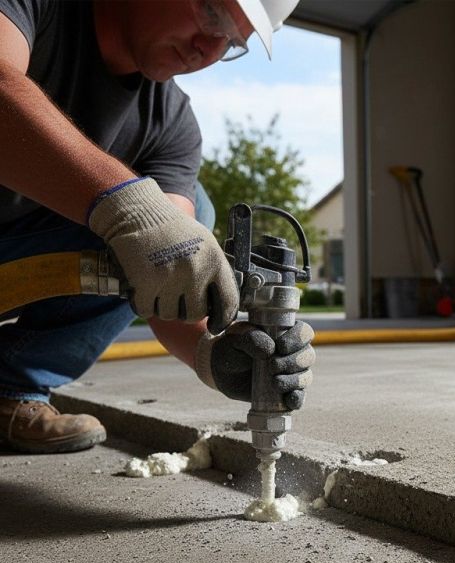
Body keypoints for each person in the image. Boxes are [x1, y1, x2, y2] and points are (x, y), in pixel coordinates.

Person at [0, 0, 314, 454]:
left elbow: (172, 277)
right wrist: (127, 205)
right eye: (213, 15)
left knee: (185, 220)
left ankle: (9, 386)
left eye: (232, 41)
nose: (208, 48)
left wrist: (215, 354)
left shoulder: (172, 125)